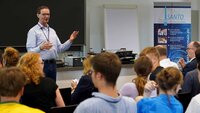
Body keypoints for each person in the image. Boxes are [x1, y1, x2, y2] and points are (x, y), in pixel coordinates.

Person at [26, 5, 79, 81]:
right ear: (38, 15)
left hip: (53, 64)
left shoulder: (52, 31)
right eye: (44, 14)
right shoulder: (33, 31)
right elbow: (29, 52)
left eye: (48, 14)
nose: (46, 16)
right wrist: (40, 47)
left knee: (52, 88)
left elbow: (60, 48)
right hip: (40, 65)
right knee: (42, 88)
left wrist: (70, 40)